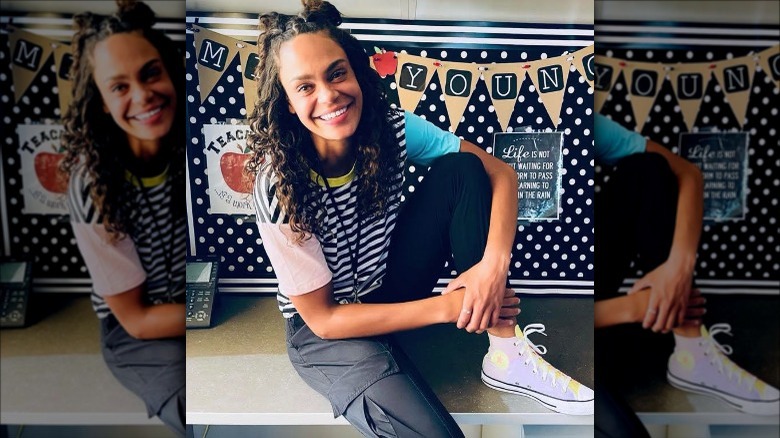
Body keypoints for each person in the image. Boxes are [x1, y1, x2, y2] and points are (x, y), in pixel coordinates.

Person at [246, 0, 594, 435]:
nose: (329, 95)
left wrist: (492, 267)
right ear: (286, 104)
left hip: (387, 286)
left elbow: (500, 172)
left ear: (356, 71)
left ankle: (505, 353)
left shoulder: (390, 127)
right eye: (305, 87)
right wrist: (448, 307)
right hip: (325, 333)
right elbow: (324, 318)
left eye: (337, 73)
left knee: (462, 169)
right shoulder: (277, 184)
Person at [592, 113, 779, 437]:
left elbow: (688, 173)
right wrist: (636, 307)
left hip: (590, 288)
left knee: (648, 168)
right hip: (544, 320)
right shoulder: (483, 131)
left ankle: (691, 349)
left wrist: (679, 268)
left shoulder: (580, 117)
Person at [60, 1, 186, 436]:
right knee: (193, 403)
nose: (143, 95)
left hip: (200, 308)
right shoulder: (92, 185)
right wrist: (209, 314)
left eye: (151, 73)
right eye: (119, 86)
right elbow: (137, 319)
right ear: (101, 104)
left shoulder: (192, 151)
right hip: (137, 332)